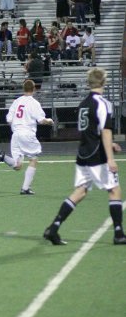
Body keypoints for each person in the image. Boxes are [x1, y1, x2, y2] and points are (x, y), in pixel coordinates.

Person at [44, 67, 126, 246]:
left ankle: (54, 227)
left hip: (83, 153)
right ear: (104, 82)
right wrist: (110, 157)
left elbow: (88, 130)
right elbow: (105, 131)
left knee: (80, 192)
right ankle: (119, 233)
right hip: (98, 155)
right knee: (114, 190)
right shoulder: (103, 103)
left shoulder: (83, 103)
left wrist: (109, 143)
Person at [0, 79, 54, 194]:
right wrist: (50, 121)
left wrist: (17, 126)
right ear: (34, 89)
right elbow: (41, 120)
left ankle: (3, 157)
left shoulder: (16, 101)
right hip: (27, 134)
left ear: (23, 89)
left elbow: (8, 119)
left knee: (18, 166)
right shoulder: (34, 103)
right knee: (33, 159)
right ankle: (25, 188)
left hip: (16, 134)